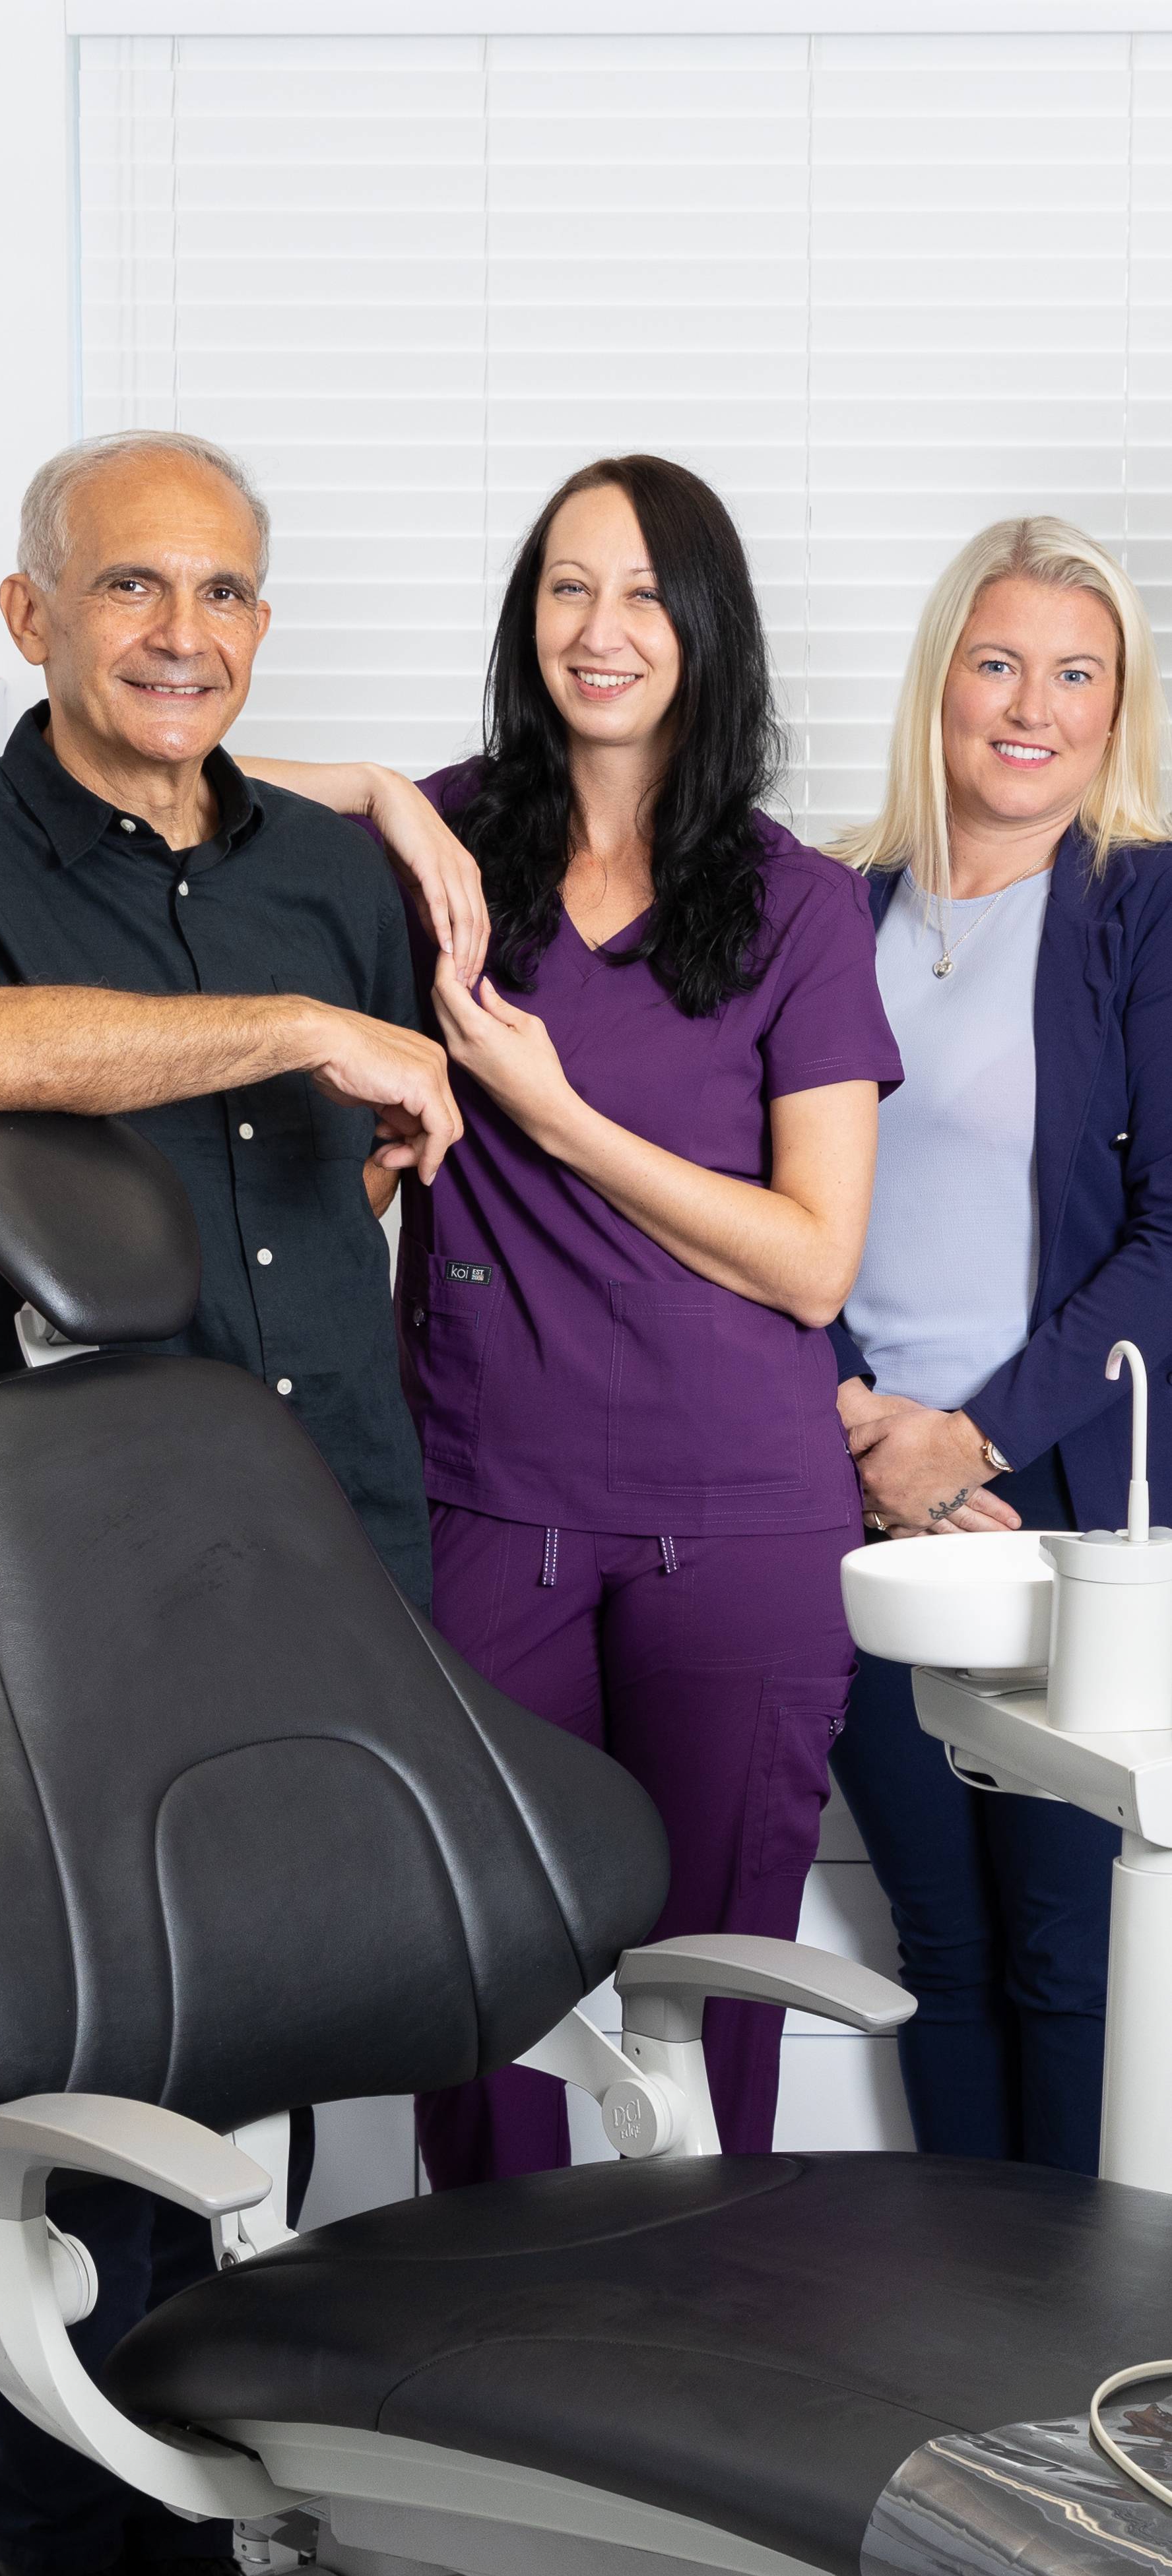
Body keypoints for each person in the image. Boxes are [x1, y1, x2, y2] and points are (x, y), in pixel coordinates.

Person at [0, 426, 474, 2576]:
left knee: (277, 2081)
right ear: (29, 613)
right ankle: (84, 2547)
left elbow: (382, 1134)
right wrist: (287, 1023)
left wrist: (374, 865)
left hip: (343, 1538)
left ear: (265, 631)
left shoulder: (337, 864)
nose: (178, 632)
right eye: (128, 587)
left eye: (220, 595)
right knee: (108, 2110)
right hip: (91, 1591)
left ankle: (232, 2513)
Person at [255, 454, 901, 2185]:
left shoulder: (794, 902)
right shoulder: (443, 851)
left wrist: (559, 1119)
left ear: (704, 629)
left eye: (636, 593)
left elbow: (810, 1260)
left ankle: (689, 2384)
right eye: (562, 586)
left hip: (740, 1520)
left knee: (704, 1994)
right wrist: (383, 797)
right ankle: (487, 2391)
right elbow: (162, 772)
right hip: (481, 1499)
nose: (596, 629)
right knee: (482, 1983)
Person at [826, 518, 1172, 2171]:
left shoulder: (1147, 911)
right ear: (942, 683)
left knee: (1064, 1950)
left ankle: (1075, 2384)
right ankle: (967, 2373)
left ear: (1118, 711)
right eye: (999, 662)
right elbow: (763, 1209)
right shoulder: (833, 908)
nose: (1031, 705)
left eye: (1077, 673)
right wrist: (858, 1428)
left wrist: (970, 1444)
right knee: (940, 1953)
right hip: (850, 1490)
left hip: (1054, 1502)